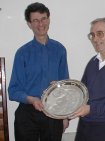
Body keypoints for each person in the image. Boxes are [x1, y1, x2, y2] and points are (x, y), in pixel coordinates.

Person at [8, 2, 69, 141]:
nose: (40, 24)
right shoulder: (22, 53)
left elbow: (65, 86)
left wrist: (64, 116)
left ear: (49, 19)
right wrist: (31, 99)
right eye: (35, 20)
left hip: (54, 113)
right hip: (27, 113)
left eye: (43, 19)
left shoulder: (60, 50)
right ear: (29, 24)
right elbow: (13, 90)